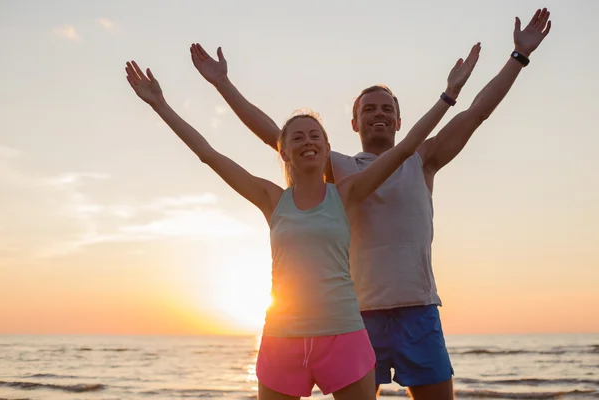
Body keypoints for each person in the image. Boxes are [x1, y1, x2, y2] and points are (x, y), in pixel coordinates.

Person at [189, 7, 551, 400]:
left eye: (387, 109)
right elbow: (275, 136)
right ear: (353, 124)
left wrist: (518, 57)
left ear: (399, 122)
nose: (379, 114)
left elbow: (477, 112)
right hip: (356, 318)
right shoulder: (338, 168)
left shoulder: (422, 158)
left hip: (418, 309)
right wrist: (223, 84)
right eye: (369, 109)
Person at [124, 43, 477, 399]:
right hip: (283, 335)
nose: (307, 141)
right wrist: (162, 104)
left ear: (327, 148)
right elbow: (208, 154)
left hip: (346, 333)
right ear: (284, 150)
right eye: (297, 136)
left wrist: (449, 95)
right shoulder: (272, 199)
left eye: (315, 135)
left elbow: (406, 148)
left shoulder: (348, 192)